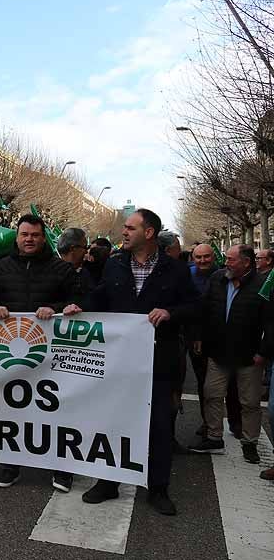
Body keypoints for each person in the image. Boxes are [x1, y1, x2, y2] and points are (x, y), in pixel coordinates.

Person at [68, 208, 199, 516]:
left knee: (159, 426)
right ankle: (108, 481)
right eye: (124, 228)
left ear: (149, 233)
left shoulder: (176, 269)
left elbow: (195, 305)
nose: (124, 232)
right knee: (111, 421)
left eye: (130, 228)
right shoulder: (114, 266)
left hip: (159, 361)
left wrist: (170, 313)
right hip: (118, 363)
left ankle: (158, 489)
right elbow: (101, 297)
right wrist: (78, 307)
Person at [0, 213, 81, 494]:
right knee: (14, 408)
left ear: (42, 237)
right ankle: (11, 463)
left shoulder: (62, 269)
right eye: (24, 235)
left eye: (35, 235)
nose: (29, 240)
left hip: (51, 355)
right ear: (17, 237)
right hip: (13, 353)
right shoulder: (0, 268)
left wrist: (58, 308)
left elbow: (80, 299)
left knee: (56, 409)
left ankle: (63, 467)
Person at [189, 245, 272, 466]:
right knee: (212, 395)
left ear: (246, 263)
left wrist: (263, 353)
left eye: (231, 260)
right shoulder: (217, 279)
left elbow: (270, 322)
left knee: (250, 402)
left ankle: (250, 443)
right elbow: (203, 308)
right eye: (226, 259)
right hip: (217, 352)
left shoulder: (263, 285)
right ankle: (214, 437)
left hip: (249, 357)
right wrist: (198, 336)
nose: (226, 263)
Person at [188, 244, 240, 438]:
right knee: (204, 384)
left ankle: (236, 422)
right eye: (198, 257)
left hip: (224, 338)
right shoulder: (188, 276)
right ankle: (208, 422)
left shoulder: (225, 275)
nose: (202, 261)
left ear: (214, 256)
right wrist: (196, 336)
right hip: (196, 337)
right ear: (193, 258)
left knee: (233, 383)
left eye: (206, 257)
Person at [57, 228, 95, 297]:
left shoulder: (85, 272)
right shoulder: (51, 273)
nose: (86, 251)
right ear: (73, 249)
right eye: (85, 247)